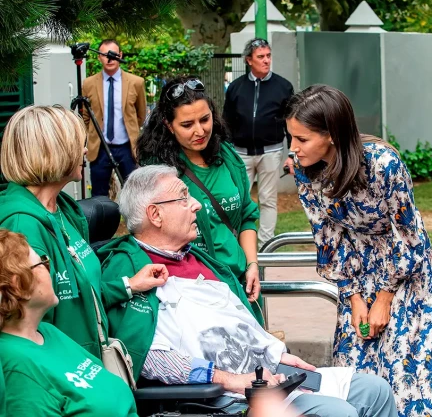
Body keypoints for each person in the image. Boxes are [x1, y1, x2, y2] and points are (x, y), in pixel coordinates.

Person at [98, 165, 399, 417]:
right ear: (155, 214)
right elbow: (152, 358)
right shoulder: (129, 269)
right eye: (183, 197)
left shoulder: (198, 259)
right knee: (338, 413)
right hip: (221, 396)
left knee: (375, 390)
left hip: (267, 373)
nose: (197, 205)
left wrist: (276, 351)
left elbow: (237, 324)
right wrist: (231, 380)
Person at [285, 85, 432, 417]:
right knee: (358, 367)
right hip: (356, 269)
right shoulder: (305, 170)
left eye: (302, 139)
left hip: (406, 270)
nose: (293, 148)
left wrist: (384, 298)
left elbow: (408, 233)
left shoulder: (383, 162)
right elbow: (327, 237)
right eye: (290, 138)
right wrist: (353, 297)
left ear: (332, 135)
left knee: (413, 375)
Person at [0, 105, 167, 360]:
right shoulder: (23, 225)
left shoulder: (64, 211)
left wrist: (129, 286)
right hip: (62, 382)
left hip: (83, 368)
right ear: (52, 151)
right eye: (77, 143)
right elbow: (23, 333)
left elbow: (78, 297)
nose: (86, 150)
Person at [137, 76, 264, 313]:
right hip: (190, 291)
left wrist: (252, 265)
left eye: (205, 119)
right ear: (168, 125)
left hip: (239, 284)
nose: (200, 131)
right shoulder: (157, 171)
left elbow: (247, 215)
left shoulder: (227, 155)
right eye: (187, 125)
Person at [0, 229, 138, 416]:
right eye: (43, 263)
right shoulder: (16, 367)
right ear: (19, 285)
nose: (53, 271)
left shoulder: (47, 332)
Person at [223, 38, 294, 248]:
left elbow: (291, 123)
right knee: (238, 200)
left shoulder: (283, 87)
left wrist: (292, 154)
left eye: (268, 56)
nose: (266, 61)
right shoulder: (236, 88)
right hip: (240, 153)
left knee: (268, 199)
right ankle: (238, 244)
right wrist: (225, 152)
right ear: (249, 61)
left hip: (271, 152)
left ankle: (265, 246)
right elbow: (226, 122)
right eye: (261, 57)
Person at [82, 39, 146, 197]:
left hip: (126, 147)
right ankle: (103, 222)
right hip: (100, 147)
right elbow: (85, 116)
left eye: (113, 54)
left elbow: (140, 114)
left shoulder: (136, 82)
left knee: (132, 193)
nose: (109, 58)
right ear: (99, 57)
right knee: (99, 194)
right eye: (105, 55)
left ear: (120, 55)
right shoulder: (88, 84)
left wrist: (131, 130)